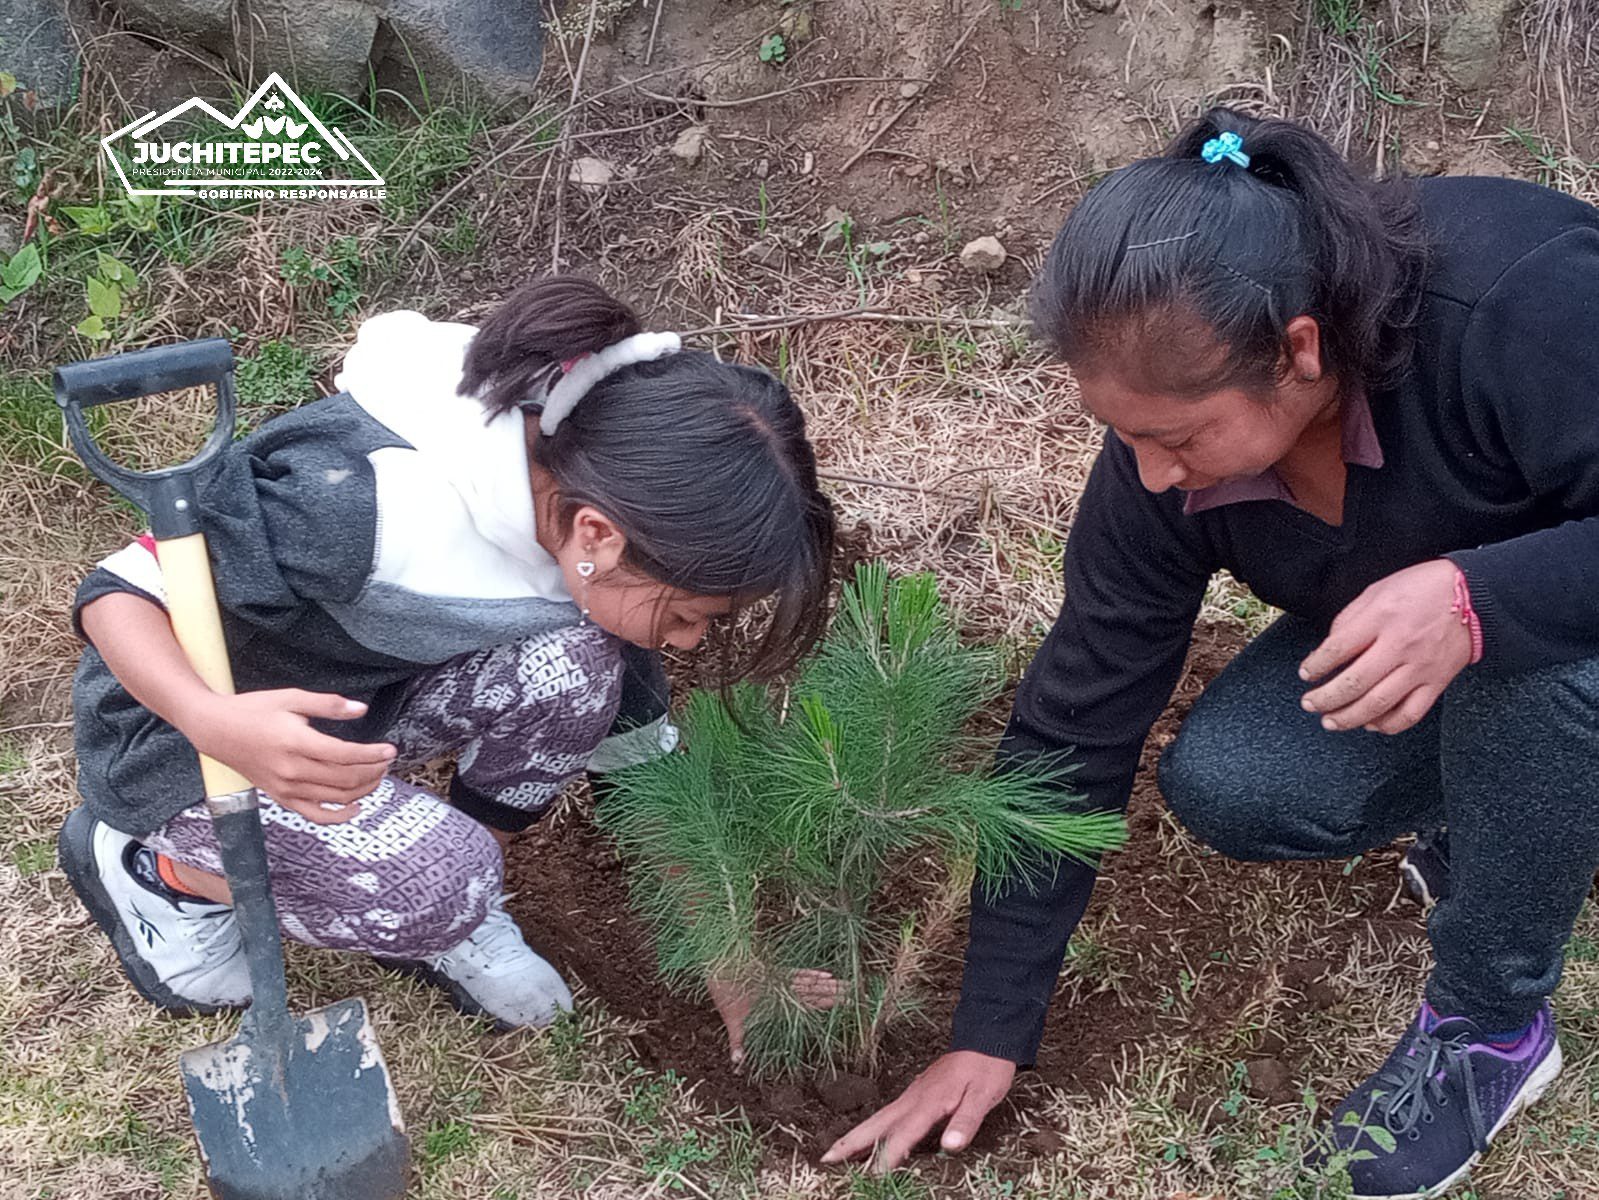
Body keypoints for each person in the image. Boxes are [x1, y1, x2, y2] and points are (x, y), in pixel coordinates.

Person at [827, 108, 1599, 1198]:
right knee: (1237, 783)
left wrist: (1480, 599)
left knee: (1548, 666)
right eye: (1126, 437)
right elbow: (1077, 715)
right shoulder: (1162, 457)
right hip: (1480, 638)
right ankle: (1512, 803)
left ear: (1298, 350)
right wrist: (992, 1026)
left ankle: (1490, 1029)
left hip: (1572, 625)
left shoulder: (1521, 300)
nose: (1150, 475)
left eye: (1179, 439)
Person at [59, 276, 836, 1041]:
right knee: (439, 876)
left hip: (347, 710)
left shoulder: (589, 528)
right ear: (600, 534)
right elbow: (114, 595)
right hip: (180, 739)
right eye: (690, 616)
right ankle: (156, 877)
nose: (690, 641)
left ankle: (457, 909)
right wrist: (213, 720)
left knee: (578, 668)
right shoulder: (362, 509)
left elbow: (643, 770)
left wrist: (739, 975)